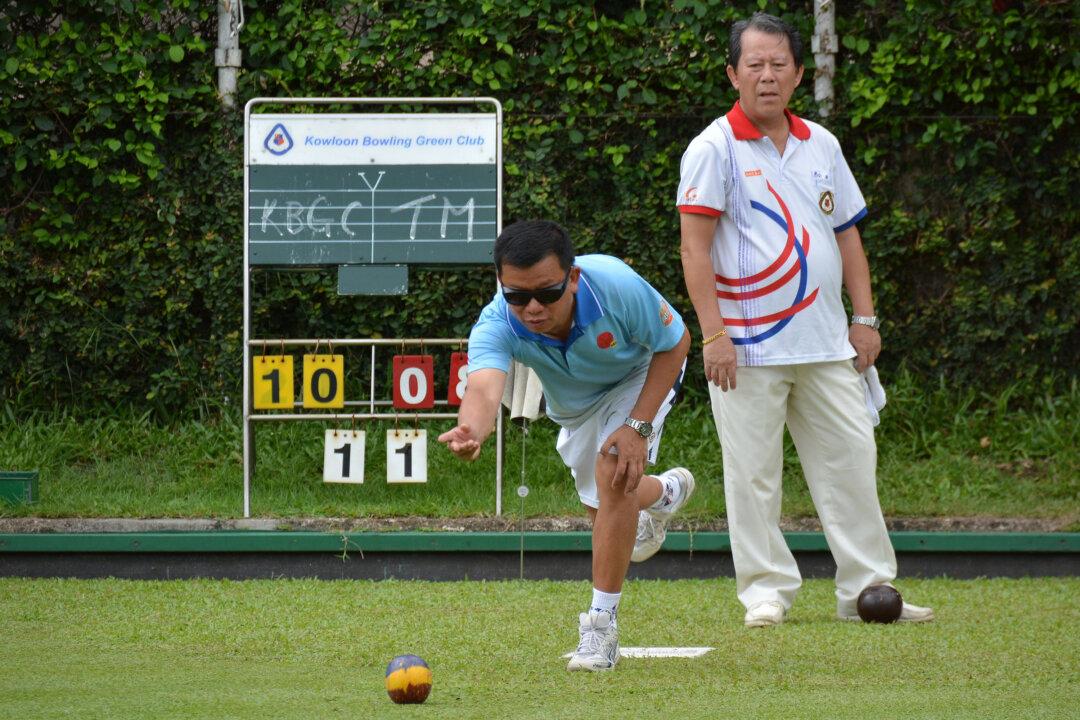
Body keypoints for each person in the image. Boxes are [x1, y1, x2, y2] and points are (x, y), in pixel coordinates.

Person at [675, 12, 933, 627]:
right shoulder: (713, 147)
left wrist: (864, 318)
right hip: (746, 347)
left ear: (797, 72)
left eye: (779, 64)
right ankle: (765, 593)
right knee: (753, 476)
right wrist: (713, 334)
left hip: (825, 341)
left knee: (851, 461)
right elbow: (694, 248)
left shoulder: (822, 143)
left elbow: (846, 237)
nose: (767, 76)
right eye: (755, 65)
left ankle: (868, 590)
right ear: (733, 74)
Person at [439, 220, 695, 671]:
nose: (532, 308)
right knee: (609, 511)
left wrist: (638, 425)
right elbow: (482, 389)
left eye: (547, 293)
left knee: (613, 467)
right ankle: (665, 492)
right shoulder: (497, 322)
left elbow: (675, 343)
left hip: (639, 377)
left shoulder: (614, 284)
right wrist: (472, 431)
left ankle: (600, 629)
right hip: (576, 409)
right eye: (517, 296)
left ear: (572, 277)